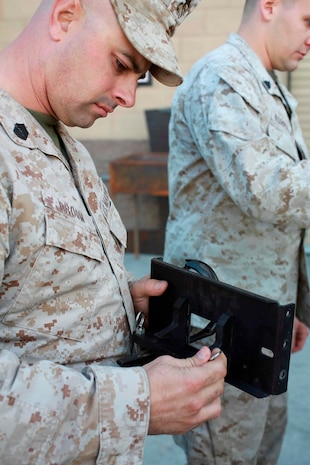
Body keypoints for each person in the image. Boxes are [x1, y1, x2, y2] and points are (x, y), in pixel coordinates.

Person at [0, 1, 228, 464]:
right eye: (123, 64)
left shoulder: (69, 148)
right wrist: (137, 402)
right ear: (65, 17)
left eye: (139, 75)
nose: (129, 96)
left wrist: (116, 301)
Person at [163, 0, 310, 464]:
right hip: (223, 322)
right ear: (269, 6)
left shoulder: (271, 89)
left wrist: (292, 304)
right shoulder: (223, 76)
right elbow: (265, 189)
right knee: (225, 451)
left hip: (263, 312)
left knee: (263, 444)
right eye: (308, 20)